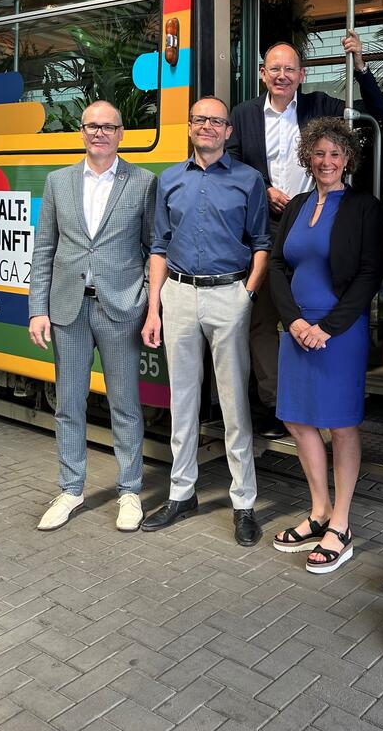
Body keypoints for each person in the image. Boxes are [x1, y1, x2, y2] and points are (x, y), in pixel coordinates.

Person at [227, 32, 383, 438]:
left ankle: (324, 401)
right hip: (265, 224)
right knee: (264, 317)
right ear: (262, 73)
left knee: (323, 304)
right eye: (274, 69)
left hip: (316, 218)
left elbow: (377, 112)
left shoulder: (320, 105)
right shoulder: (243, 113)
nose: (282, 75)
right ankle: (276, 403)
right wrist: (263, 187)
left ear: (302, 75)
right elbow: (232, 163)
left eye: (289, 69)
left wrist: (361, 65)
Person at [140, 96, 270, 546]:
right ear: (190, 126)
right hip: (177, 294)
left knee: (234, 405)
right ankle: (182, 493)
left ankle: (243, 502)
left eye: (216, 121)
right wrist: (154, 308)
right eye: (200, 120)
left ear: (228, 131)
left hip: (228, 295)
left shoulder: (249, 180)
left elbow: (262, 242)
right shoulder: (169, 179)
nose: (208, 127)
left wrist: (246, 294)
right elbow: (159, 245)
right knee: (182, 401)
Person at [29, 101, 157, 533]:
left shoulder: (143, 182)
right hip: (68, 309)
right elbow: (44, 250)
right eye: (91, 126)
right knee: (69, 404)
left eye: (108, 127)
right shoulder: (58, 181)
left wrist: (144, 299)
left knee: (125, 405)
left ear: (121, 133)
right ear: (81, 132)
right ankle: (70, 489)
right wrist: (38, 309)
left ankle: (130, 491)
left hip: (120, 309)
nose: (99, 133)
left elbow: (153, 248)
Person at [268, 117, 383, 572]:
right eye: (319, 153)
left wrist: (328, 327)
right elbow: (278, 265)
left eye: (335, 153)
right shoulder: (296, 205)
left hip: (340, 332)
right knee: (297, 419)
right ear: (308, 158)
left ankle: (341, 524)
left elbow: (369, 274)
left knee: (341, 425)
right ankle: (318, 510)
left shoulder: (364, 207)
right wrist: (294, 321)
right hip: (298, 329)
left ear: (348, 159)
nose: (327, 160)